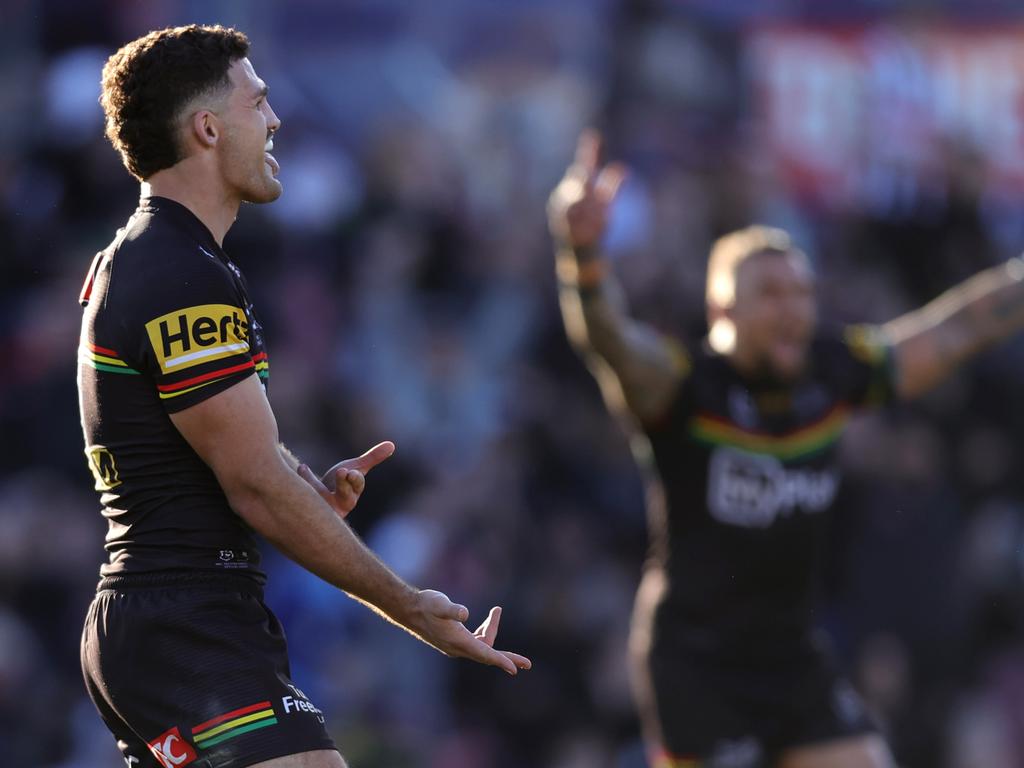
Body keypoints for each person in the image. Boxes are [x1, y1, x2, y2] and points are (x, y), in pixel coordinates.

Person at [78, 25, 530, 768]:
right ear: (208, 128)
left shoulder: (163, 258)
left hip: (177, 619)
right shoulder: (178, 272)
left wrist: (302, 491)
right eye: (258, 102)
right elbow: (251, 482)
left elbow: (241, 461)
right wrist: (408, 604)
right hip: (184, 624)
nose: (276, 119)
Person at [547, 131, 1024, 768]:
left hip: (792, 654)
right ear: (721, 310)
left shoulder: (833, 373)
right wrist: (581, 258)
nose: (792, 309)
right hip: (695, 660)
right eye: (769, 294)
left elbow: (953, 330)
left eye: (801, 293)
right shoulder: (684, 388)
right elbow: (609, 341)